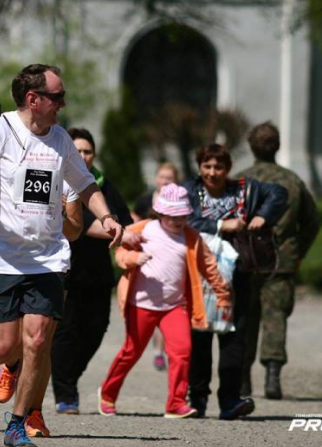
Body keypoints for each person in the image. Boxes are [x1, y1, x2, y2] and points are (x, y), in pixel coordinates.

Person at [0, 63, 125, 447]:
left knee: (36, 341)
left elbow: (85, 183)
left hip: (47, 259)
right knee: (5, 345)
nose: (63, 104)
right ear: (34, 99)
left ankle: (16, 423)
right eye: (57, 97)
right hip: (0, 258)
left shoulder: (61, 139)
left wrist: (107, 217)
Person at [98, 184, 231, 419]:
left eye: (183, 216)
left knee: (182, 351)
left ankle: (176, 403)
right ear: (160, 213)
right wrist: (133, 257)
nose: (179, 221)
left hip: (174, 306)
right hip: (141, 303)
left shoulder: (191, 237)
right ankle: (107, 395)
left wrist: (222, 294)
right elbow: (119, 254)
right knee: (131, 352)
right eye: (173, 216)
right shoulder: (143, 229)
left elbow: (208, 266)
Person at [0, 183, 83, 437]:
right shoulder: (5, 156)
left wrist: (55, 217)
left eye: (88, 152)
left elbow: (75, 230)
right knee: (6, 344)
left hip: (48, 266)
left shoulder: (67, 175)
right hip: (4, 263)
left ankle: (30, 416)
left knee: (41, 341)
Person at [183, 143, 286, 420]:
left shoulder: (244, 189)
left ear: (228, 169)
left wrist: (263, 215)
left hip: (237, 276)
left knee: (234, 336)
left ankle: (229, 400)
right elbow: (180, 219)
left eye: (218, 167)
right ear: (200, 167)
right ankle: (198, 398)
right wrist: (220, 225)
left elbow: (279, 193)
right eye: (207, 166)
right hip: (199, 275)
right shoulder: (190, 191)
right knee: (199, 337)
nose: (212, 172)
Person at [50, 128, 132, 415]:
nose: (83, 156)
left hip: (97, 274)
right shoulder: (57, 180)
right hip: (65, 271)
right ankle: (65, 391)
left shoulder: (103, 186)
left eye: (88, 151)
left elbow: (125, 220)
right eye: (78, 151)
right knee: (66, 332)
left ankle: (68, 376)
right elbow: (83, 223)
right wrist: (104, 228)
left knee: (96, 331)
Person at [237, 122, 319, 399]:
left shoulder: (240, 180)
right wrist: (297, 252)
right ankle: (272, 377)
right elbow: (311, 223)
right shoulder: (292, 181)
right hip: (280, 259)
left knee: (245, 317)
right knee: (275, 318)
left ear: (251, 147)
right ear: (278, 146)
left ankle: (243, 379)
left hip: (246, 259)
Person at [131, 161, 180, 372]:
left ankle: (160, 351)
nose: (165, 181)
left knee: (165, 305)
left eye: (169, 178)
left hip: (168, 261)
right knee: (149, 307)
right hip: (146, 259)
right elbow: (132, 221)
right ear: (156, 179)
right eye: (162, 177)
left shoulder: (180, 203)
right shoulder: (145, 201)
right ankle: (151, 347)